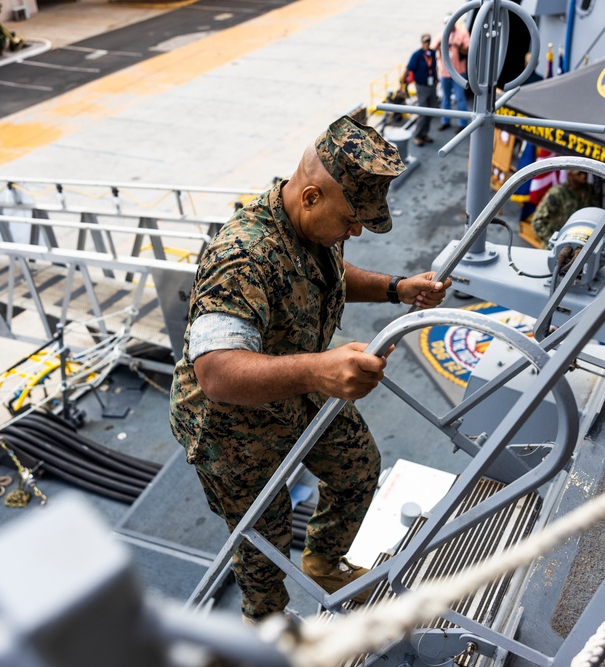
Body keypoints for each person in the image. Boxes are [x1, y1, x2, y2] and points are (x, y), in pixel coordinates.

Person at [169, 116, 451, 624]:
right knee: (264, 537)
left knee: (358, 468)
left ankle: (323, 559)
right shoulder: (242, 255)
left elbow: (331, 273)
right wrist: (318, 371)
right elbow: (215, 372)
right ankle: (266, 626)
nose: (356, 230)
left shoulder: (316, 224)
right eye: (350, 220)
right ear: (312, 196)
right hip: (230, 424)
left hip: (298, 385)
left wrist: (397, 287)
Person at [530, 169, 601, 242]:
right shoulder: (557, 193)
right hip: (555, 245)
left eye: (585, 173)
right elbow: (537, 223)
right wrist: (554, 241)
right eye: (579, 174)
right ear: (570, 175)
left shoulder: (589, 191)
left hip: (580, 241)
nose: (584, 176)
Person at [430, 16, 470, 132]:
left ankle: (463, 123)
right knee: (445, 98)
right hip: (444, 72)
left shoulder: (462, 34)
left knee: (460, 98)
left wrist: (458, 46)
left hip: (458, 72)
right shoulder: (441, 35)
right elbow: (432, 50)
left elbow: (468, 50)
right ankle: (445, 121)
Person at [402, 34, 439, 146]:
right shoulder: (417, 55)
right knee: (423, 112)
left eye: (428, 41)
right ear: (422, 42)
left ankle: (424, 134)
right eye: (425, 41)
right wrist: (403, 82)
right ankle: (417, 135)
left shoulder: (432, 53)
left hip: (431, 85)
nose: (427, 44)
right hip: (422, 86)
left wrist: (436, 79)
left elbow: (434, 67)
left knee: (431, 110)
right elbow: (409, 68)